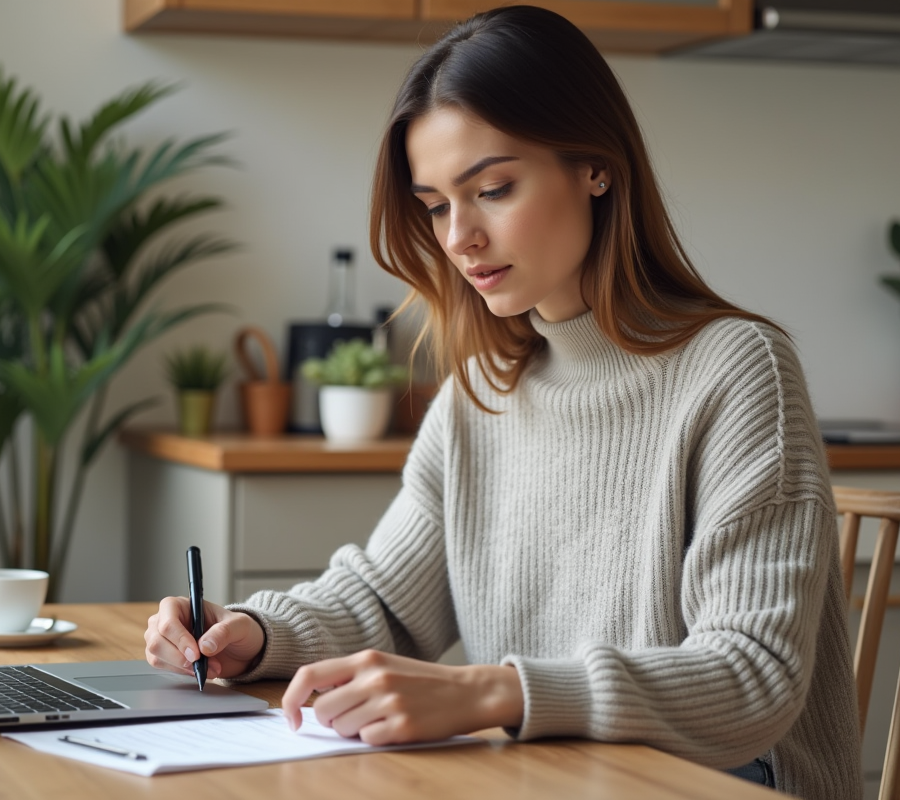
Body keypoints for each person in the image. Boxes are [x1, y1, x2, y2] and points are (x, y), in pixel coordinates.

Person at [144, 6, 861, 797]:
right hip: (550, 777)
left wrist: (489, 691)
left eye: (491, 189)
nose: (459, 238)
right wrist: (254, 632)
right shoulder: (482, 392)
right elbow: (384, 598)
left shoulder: (734, 369)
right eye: (437, 205)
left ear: (596, 166)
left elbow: (751, 678)